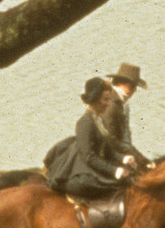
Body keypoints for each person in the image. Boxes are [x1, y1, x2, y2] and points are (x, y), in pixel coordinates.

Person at [43, 64, 150, 199]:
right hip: (83, 175)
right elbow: (89, 156)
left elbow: (105, 149)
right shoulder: (85, 123)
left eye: (109, 99)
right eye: (105, 99)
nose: (108, 102)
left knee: (131, 179)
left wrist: (123, 158)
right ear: (95, 100)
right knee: (126, 185)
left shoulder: (96, 119)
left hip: (92, 169)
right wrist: (115, 170)